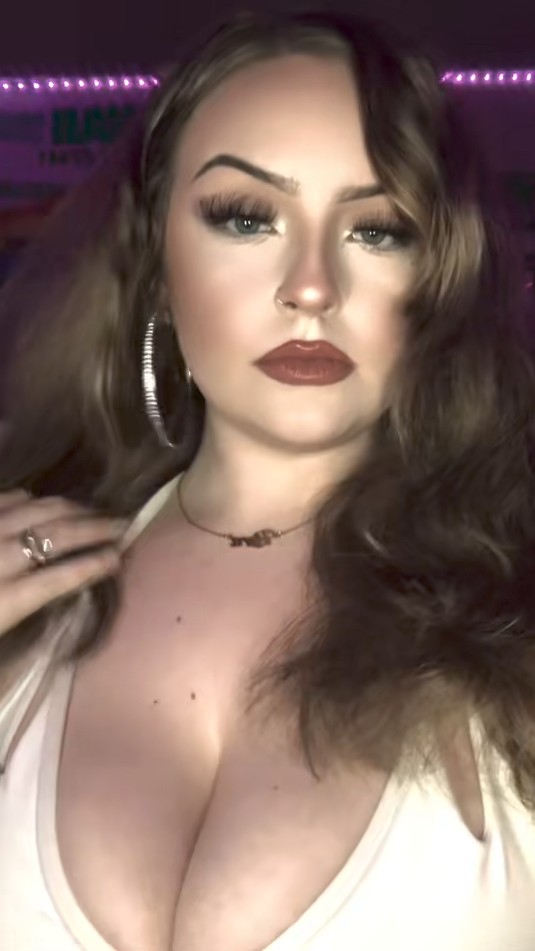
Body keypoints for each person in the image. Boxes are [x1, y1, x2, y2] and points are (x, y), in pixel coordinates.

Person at [0, 9, 534, 950]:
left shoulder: (512, 607)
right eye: (246, 217)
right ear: (156, 264)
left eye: (377, 229)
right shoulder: (22, 582)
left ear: (439, 277)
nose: (312, 286)